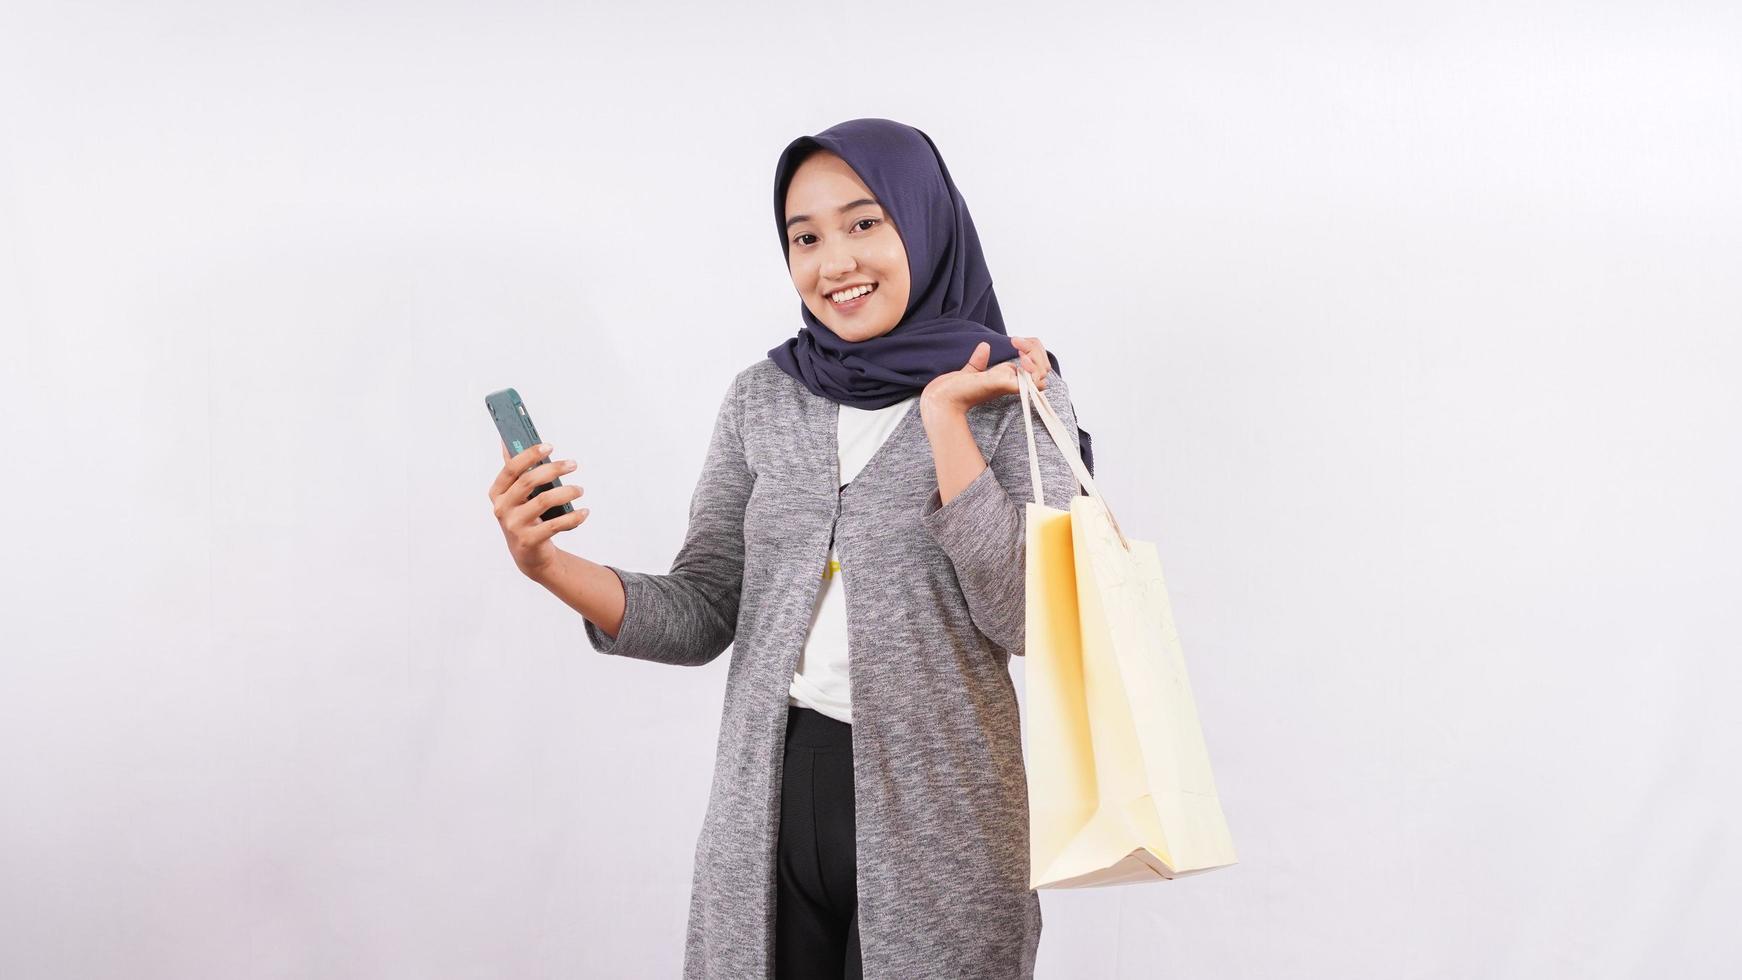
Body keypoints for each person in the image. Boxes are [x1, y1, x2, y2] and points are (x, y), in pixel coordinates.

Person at [489, 118, 1096, 980]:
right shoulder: (764, 399)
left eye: (863, 223)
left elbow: (1030, 618)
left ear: (925, 224)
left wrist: (946, 423)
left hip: (944, 818)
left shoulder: (1017, 394)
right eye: (803, 237)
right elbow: (704, 611)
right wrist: (547, 565)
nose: (834, 262)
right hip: (766, 804)